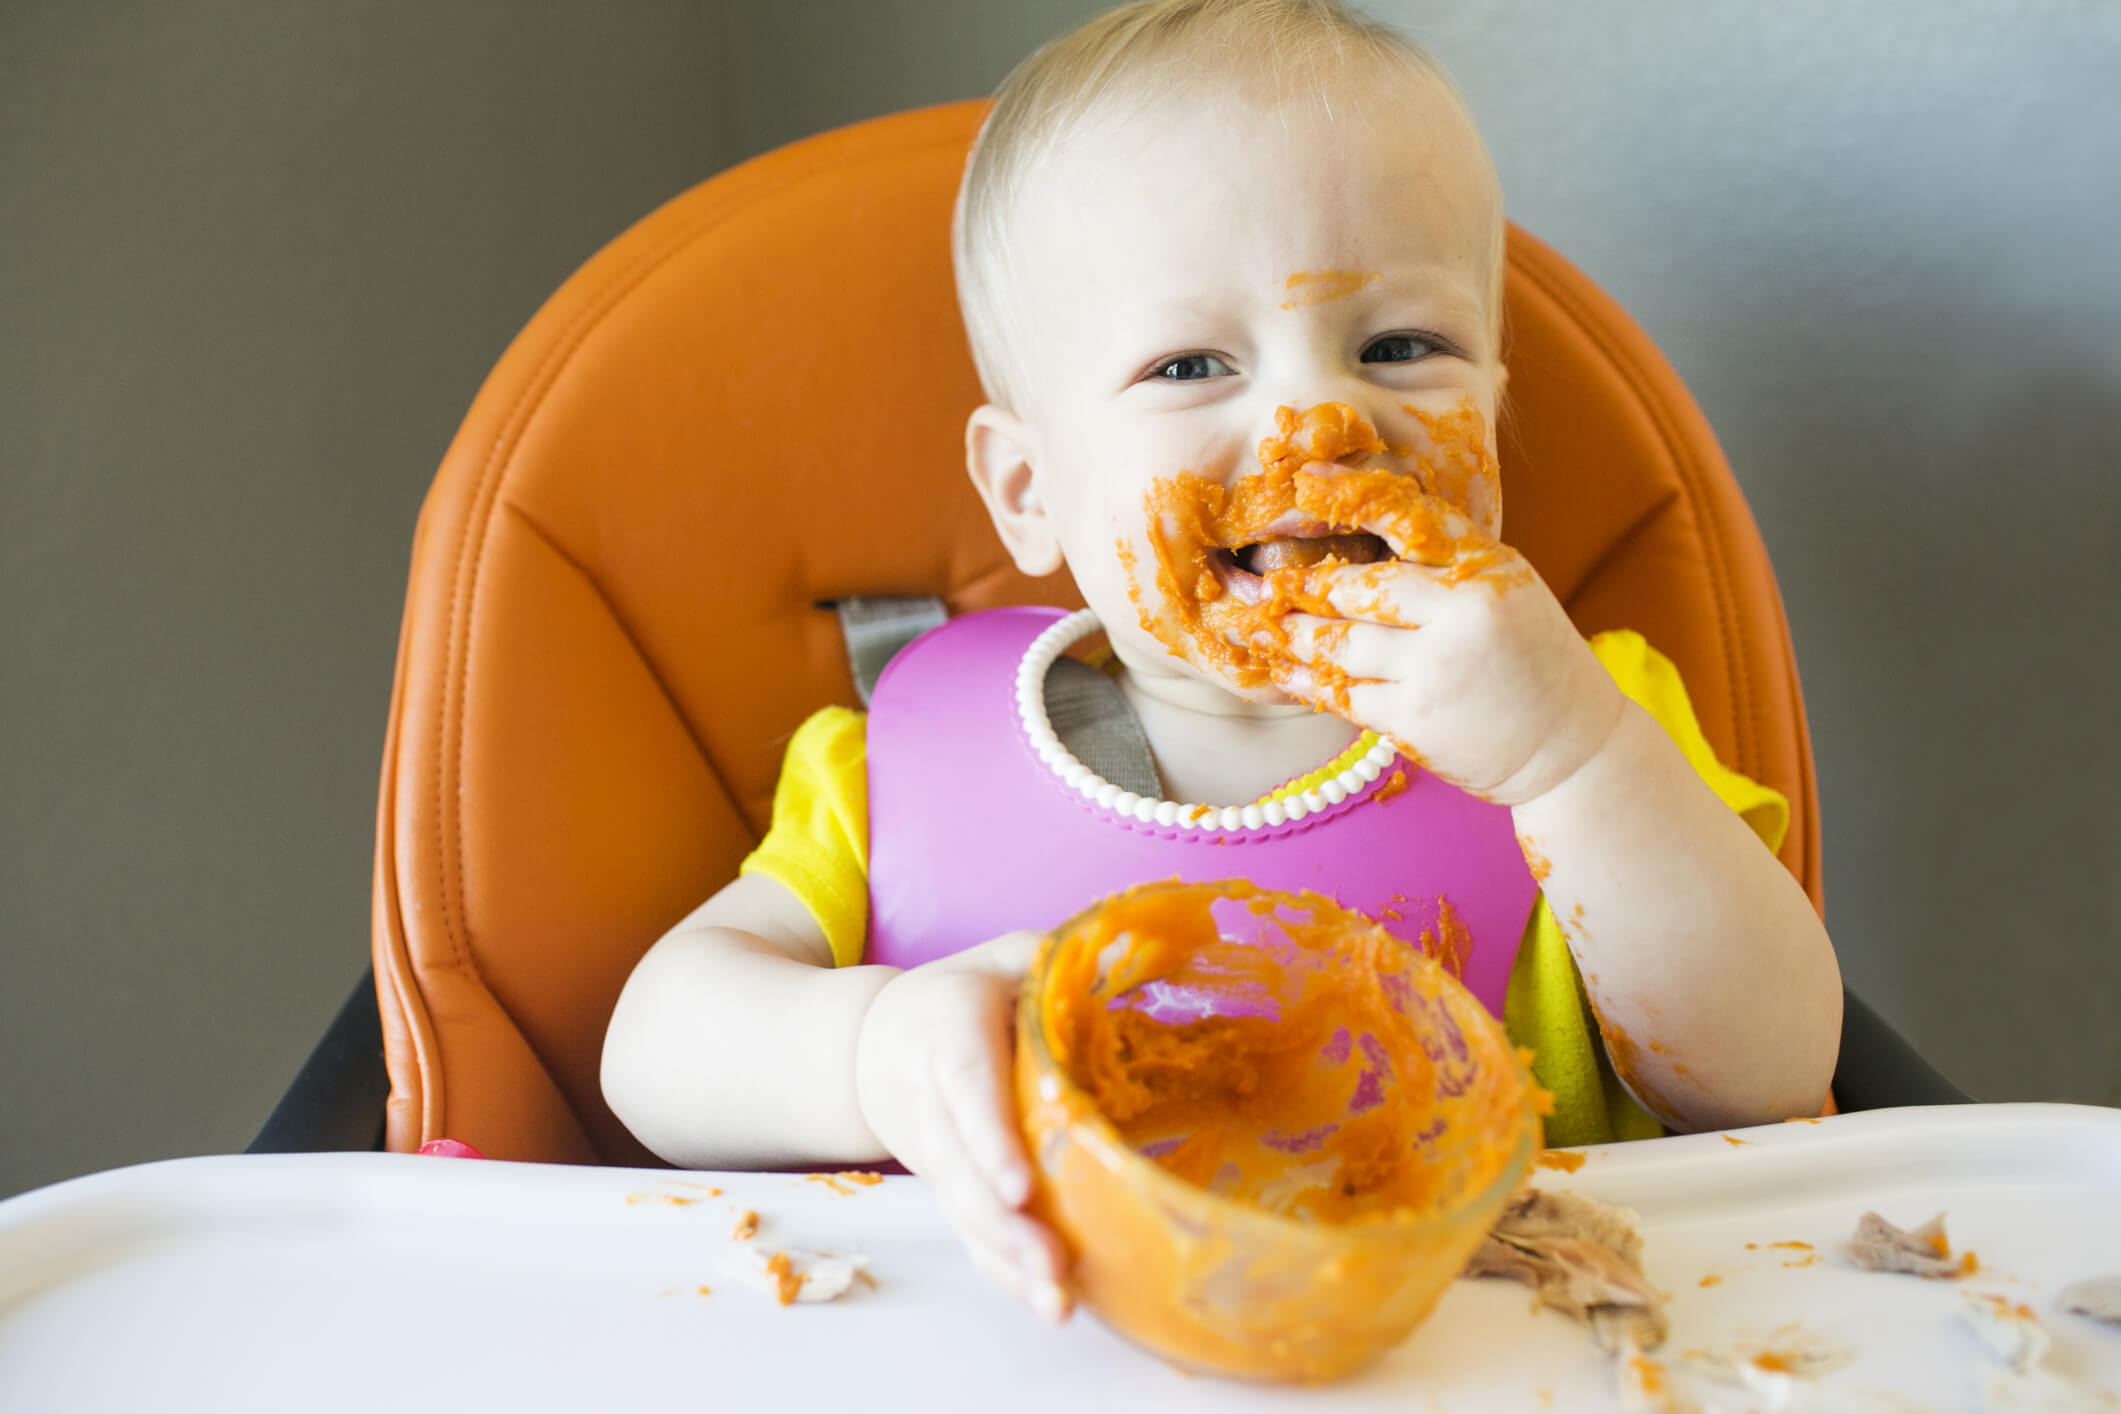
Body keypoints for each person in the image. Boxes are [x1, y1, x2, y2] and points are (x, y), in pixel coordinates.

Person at [602, 0, 1842, 1327]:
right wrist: (865, 1049)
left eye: (1401, 347)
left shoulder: (1589, 727)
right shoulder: (902, 763)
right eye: (1189, 364)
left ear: (1491, 406)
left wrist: (1571, 761)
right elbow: (649, 1053)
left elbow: (1765, 1074)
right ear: (1029, 489)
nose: (1321, 416)